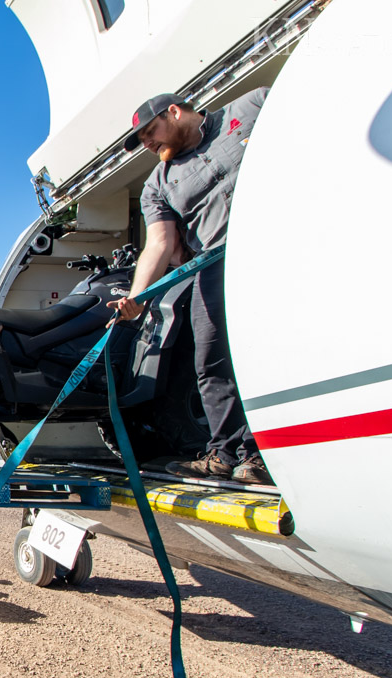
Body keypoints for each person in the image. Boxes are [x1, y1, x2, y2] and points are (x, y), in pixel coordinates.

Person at [108, 89, 273, 485]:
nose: (147, 144)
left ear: (176, 112)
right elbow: (159, 244)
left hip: (272, 251)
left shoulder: (253, 107)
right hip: (215, 268)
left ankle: (270, 453)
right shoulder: (157, 185)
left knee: (267, 352)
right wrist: (138, 297)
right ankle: (228, 454)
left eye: (150, 132)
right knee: (212, 363)